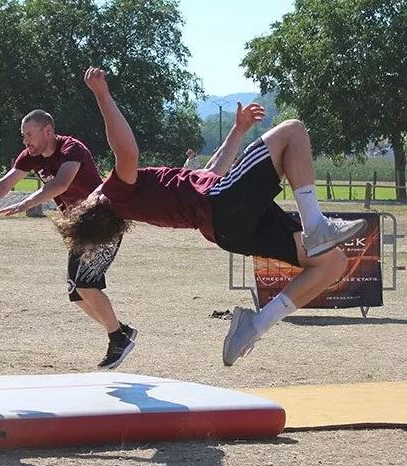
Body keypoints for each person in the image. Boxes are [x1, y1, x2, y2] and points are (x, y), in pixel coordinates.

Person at [56, 67, 366, 368]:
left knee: (332, 263)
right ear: (92, 205)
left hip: (228, 230)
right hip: (222, 206)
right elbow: (126, 151)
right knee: (292, 130)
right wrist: (103, 96)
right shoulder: (115, 193)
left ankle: (256, 324)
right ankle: (316, 226)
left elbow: (210, 173)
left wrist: (238, 130)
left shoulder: (138, 201)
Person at [0, 110, 137, 370]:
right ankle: (120, 331)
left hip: (104, 221)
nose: (26, 142)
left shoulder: (72, 149)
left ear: (48, 131)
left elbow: (60, 184)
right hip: (80, 227)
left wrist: (24, 204)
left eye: (29, 135)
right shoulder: (31, 157)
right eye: (23, 136)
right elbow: (3, 185)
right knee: (77, 293)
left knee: (84, 284)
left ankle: (118, 338)